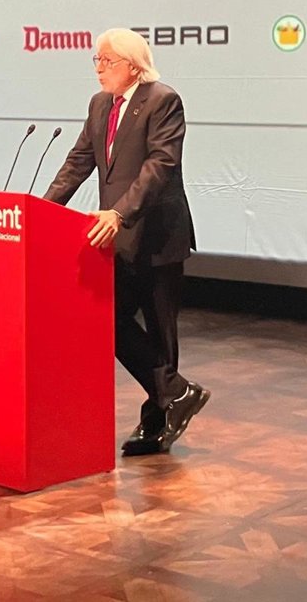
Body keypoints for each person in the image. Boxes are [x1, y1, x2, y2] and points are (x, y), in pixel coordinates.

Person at [44, 28, 209, 456]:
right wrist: (42, 210)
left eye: (107, 60)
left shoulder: (162, 101)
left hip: (157, 236)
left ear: (133, 66)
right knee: (107, 321)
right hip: (117, 241)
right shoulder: (100, 104)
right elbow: (78, 161)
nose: (98, 68)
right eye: (96, 60)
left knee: (160, 331)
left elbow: (160, 166)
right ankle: (176, 393)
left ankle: (157, 420)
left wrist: (120, 213)